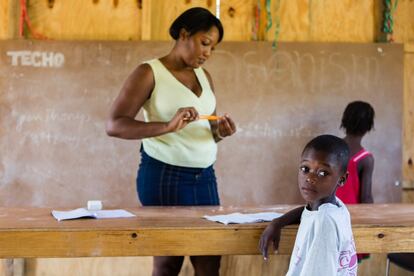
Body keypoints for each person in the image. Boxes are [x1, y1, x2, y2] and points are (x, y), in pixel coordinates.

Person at [106, 7, 236, 276]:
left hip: (205, 177)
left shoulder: (205, 77)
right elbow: (115, 124)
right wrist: (166, 126)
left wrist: (220, 132)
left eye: (212, 48)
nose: (207, 53)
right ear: (184, 34)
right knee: (169, 261)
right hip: (164, 176)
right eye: (204, 43)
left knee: (210, 260)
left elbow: (208, 131)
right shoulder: (149, 72)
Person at [259, 135, 358, 276]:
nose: (310, 178)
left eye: (323, 173)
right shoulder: (335, 207)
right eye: (305, 169)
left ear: (342, 179)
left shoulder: (324, 224)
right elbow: (309, 211)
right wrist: (278, 222)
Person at [336, 101, 375, 262]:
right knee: (347, 264)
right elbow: (366, 197)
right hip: (351, 220)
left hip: (328, 213)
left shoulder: (331, 149)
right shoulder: (365, 159)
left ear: (344, 121)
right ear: (368, 127)